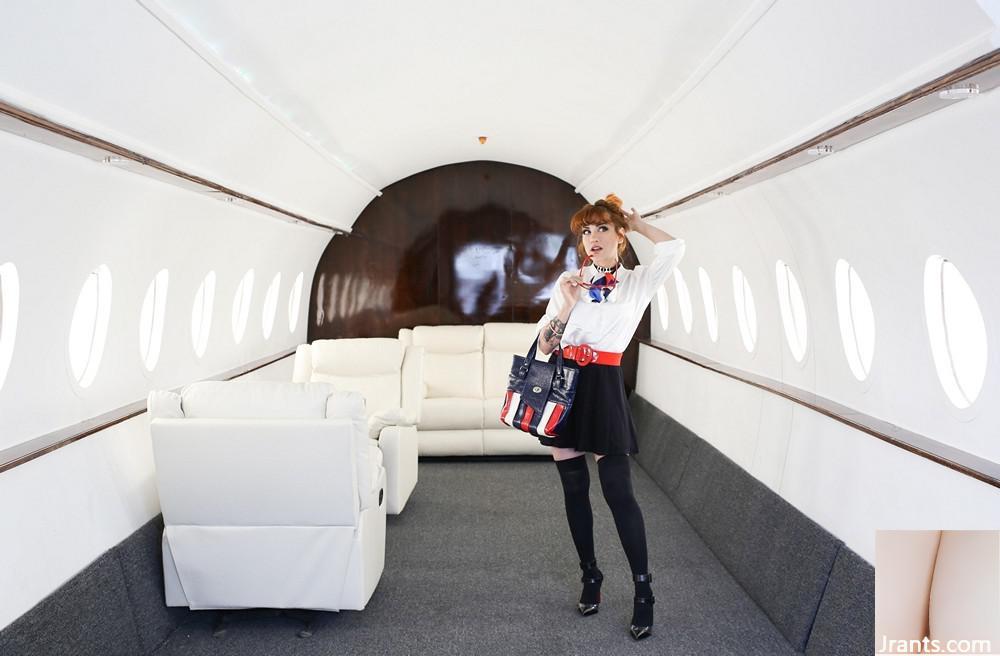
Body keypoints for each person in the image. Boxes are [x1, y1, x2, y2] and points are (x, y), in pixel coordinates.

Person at [534, 193, 686, 641]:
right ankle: (590, 575)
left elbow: (675, 248)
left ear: (619, 235)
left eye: (602, 228)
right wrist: (566, 306)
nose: (592, 238)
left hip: (603, 386)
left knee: (619, 493)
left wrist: (638, 224)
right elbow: (544, 345)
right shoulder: (569, 281)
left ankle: (643, 591)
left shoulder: (637, 282)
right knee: (574, 490)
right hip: (565, 384)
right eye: (586, 231)